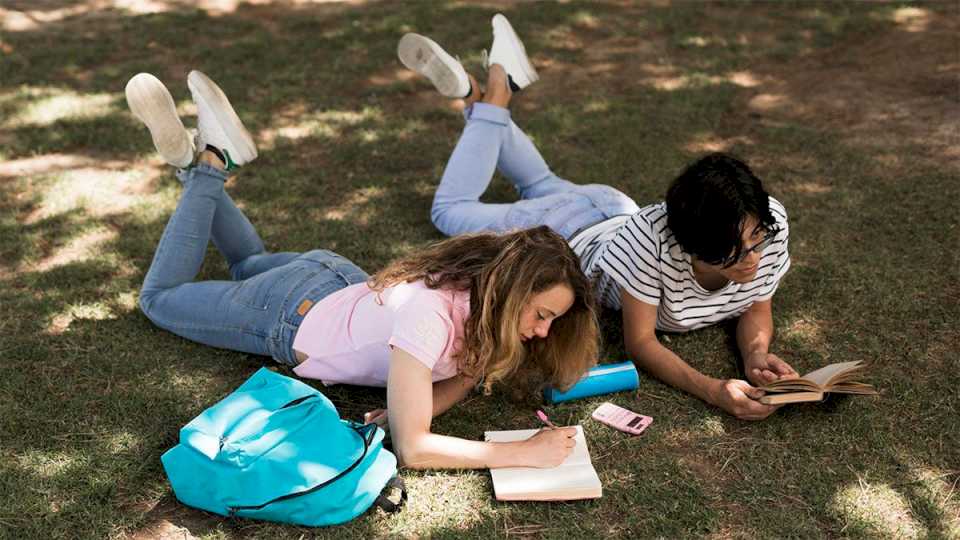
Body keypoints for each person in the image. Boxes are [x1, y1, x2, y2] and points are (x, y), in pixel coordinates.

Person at [124, 70, 600, 469]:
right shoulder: (431, 318)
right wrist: (521, 452)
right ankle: (208, 163)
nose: (542, 332)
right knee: (160, 297)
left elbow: (463, 377)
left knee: (247, 264)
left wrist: (403, 410)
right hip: (290, 313)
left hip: (331, 282)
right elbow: (415, 449)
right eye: (542, 314)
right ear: (513, 291)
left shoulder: (483, 301)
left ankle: (194, 160)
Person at [397, 14, 797, 421]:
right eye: (734, 253)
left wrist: (756, 355)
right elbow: (641, 343)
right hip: (569, 228)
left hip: (610, 209)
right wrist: (713, 389)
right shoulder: (651, 244)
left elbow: (755, 303)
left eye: (756, 243)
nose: (753, 258)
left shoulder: (766, 223)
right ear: (690, 246)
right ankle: (495, 92)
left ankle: (479, 99)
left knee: (540, 181)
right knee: (450, 210)